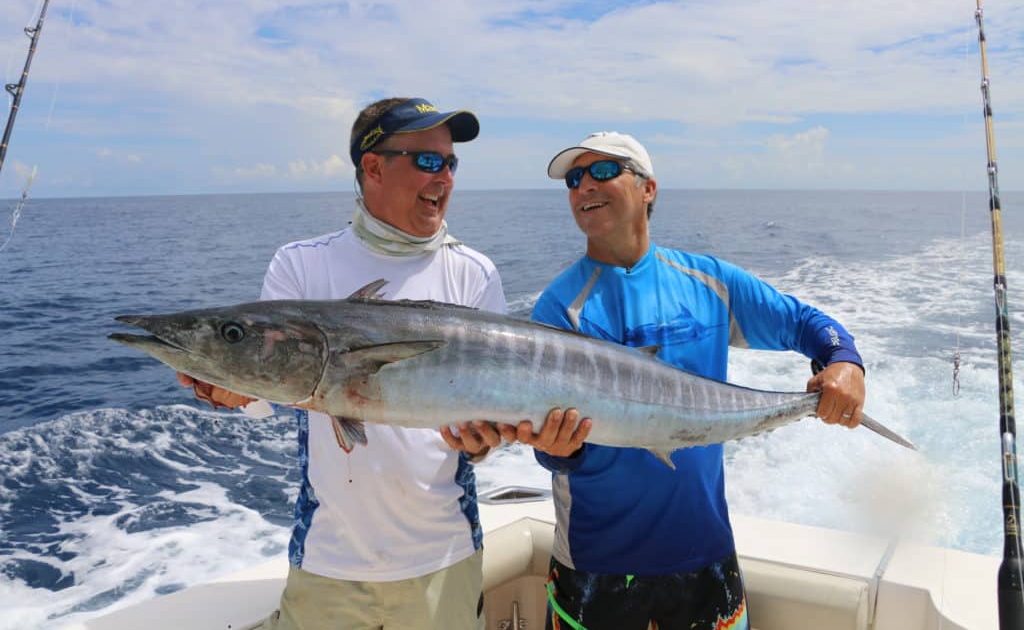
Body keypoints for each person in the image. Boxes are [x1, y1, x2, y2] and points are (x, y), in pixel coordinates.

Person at [177, 96, 527, 629]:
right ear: (373, 166)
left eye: (450, 163)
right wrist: (226, 388)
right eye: (428, 161)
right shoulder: (302, 264)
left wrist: (485, 441)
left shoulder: (473, 273)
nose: (446, 178)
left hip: (444, 555)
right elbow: (267, 383)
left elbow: (494, 409)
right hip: (327, 560)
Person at [520, 131, 866, 630]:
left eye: (602, 171)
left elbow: (806, 324)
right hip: (596, 565)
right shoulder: (559, 307)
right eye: (573, 179)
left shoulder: (708, 282)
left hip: (706, 556)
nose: (583, 187)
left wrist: (844, 361)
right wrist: (557, 447)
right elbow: (548, 448)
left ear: (648, 188)